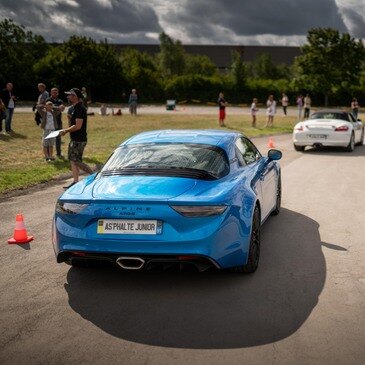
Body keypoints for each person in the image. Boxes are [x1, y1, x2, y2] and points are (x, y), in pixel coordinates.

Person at [60, 88, 93, 189]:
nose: (68, 97)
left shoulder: (80, 109)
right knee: (72, 160)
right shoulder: (74, 108)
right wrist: (69, 119)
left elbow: (78, 126)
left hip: (79, 139)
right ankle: (75, 181)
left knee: (76, 160)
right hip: (74, 138)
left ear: (75, 96)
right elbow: (73, 124)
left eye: (70, 95)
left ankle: (94, 175)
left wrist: (65, 131)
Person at [46, 88, 65, 158]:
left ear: (58, 93)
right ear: (51, 92)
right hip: (50, 122)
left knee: (58, 138)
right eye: (53, 92)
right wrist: (58, 108)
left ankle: (59, 153)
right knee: (50, 138)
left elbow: (62, 108)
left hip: (59, 122)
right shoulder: (48, 100)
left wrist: (57, 108)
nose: (55, 94)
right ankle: (48, 154)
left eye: (56, 92)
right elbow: (49, 107)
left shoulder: (60, 100)